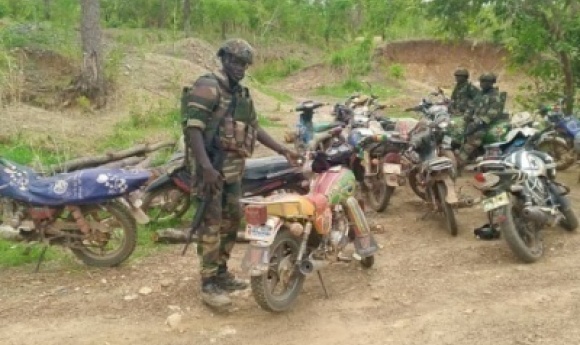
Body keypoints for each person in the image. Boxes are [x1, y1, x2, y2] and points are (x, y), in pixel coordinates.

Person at [180, 38, 299, 308]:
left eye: (244, 64)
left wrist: (283, 150)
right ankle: (208, 282)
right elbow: (193, 129)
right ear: (223, 59)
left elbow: (255, 130)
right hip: (210, 170)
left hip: (233, 172)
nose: (240, 68)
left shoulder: (242, 94)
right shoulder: (208, 87)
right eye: (235, 62)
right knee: (211, 224)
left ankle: (221, 272)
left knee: (232, 220)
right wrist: (206, 168)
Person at [457, 73, 505, 167]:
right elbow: (471, 106)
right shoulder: (480, 94)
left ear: (491, 83)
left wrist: (478, 122)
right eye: (481, 81)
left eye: (484, 82)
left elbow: (492, 114)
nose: (481, 84)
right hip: (474, 122)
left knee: (473, 140)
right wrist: (467, 117)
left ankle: (460, 160)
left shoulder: (495, 97)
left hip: (486, 125)